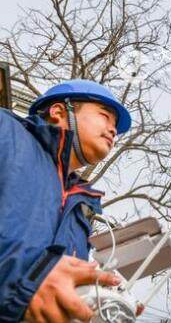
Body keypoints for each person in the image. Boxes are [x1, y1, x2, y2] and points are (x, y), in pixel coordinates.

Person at [0, 79, 132, 322]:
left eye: (115, 125)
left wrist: (93, 303)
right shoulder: (5, 131)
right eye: (104, 116)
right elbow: (35, 281)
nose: (113, 129)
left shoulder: (84, 209)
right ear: (59, 112)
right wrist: (25, 283)